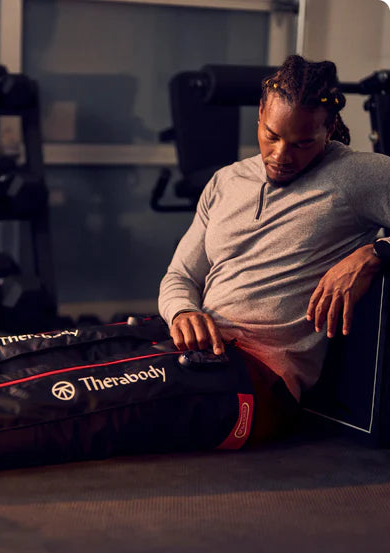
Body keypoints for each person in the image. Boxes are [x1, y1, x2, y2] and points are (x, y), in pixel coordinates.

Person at [158, 54, 390, 440]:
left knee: (97, 411)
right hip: (199, 354)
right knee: (73, 376)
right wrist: (183, 311)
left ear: (329, 129)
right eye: (272, 136)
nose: (281, 156)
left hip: (260, 376)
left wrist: (374, 253)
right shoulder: (226, 181)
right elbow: (180, 275)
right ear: (260, 116)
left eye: (302, 143)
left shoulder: (356, 175)